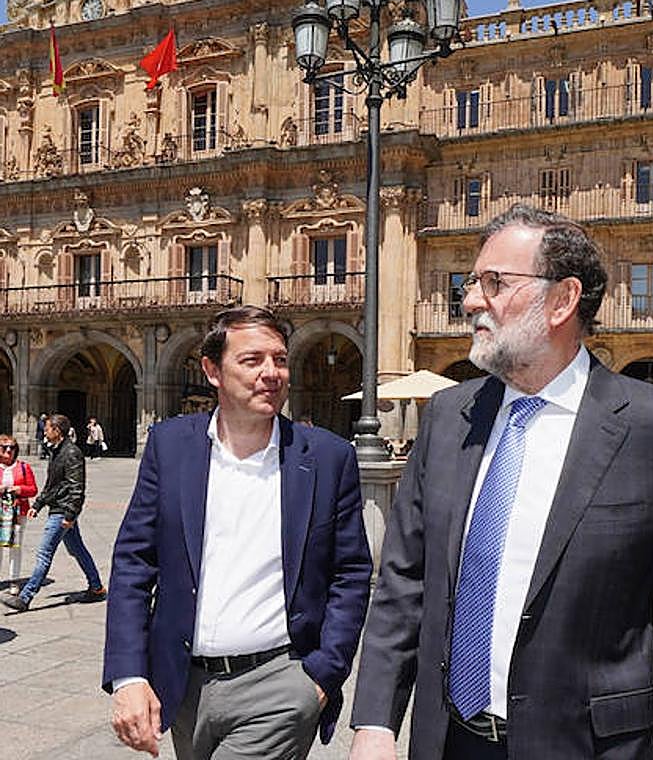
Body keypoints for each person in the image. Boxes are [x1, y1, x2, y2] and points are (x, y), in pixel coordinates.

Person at [349, 204, 653, 760]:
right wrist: (377, 721)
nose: (472, 300)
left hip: (589, 747)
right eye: (472, 283)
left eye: (494, 283)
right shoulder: (448, 416)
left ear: (562, 300)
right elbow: (404, 583)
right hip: (449, 741)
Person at [102, 306, 373, 760]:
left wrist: (322, 675)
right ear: (212, 370)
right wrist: (129, 675)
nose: (272, 373)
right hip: (183, 684)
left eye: (280, 359)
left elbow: (350, 572)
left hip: (280, 685)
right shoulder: (169, 446)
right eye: (252, 360)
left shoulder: (328, 457)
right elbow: (133, 562)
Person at [1, 414, 106, 612]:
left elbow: (77, 489)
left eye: (48, 428)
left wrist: (70, 515)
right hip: (59, 508)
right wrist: (38, 504)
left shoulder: (72, 453)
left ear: (57, 431)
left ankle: (25, 597)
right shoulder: (57, 451)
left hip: (62, 512)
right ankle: (96, 587)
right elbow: (54, 485)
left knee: (43, 554)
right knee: (78, 550)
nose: (45, 431)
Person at [0, 433, 38, 596]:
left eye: (12, 447)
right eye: (4, 447)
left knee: (15, 546)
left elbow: (33, 489)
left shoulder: (24, 467)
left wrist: (20, 489)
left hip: (17, 512)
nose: (9, 450)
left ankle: (14, 581)